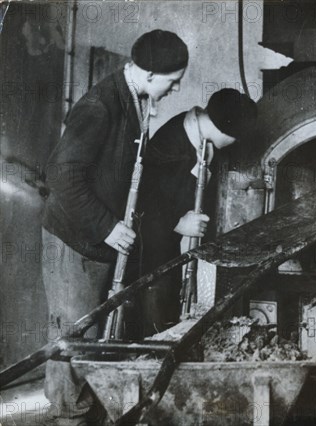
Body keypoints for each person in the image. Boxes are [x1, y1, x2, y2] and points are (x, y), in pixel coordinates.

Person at [41, 29, 188, 424]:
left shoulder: (132, 99)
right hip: (74, 242)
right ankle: (68, 419)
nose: (175, 90)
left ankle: (86, 415)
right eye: (173, 82)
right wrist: (107, 226)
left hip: (96, 243)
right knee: (72, 340)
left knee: (91, 341)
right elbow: (61, 173)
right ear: (151, 73)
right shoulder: (101, 106)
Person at [135, 88, 257, 337]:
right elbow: (144, 197)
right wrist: (178, 223)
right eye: (237, 139)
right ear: (226, 132)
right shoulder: (173, 142)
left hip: (168, 246)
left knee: (169, 306)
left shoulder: (202, 138)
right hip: (149, 247)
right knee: (156, 311)